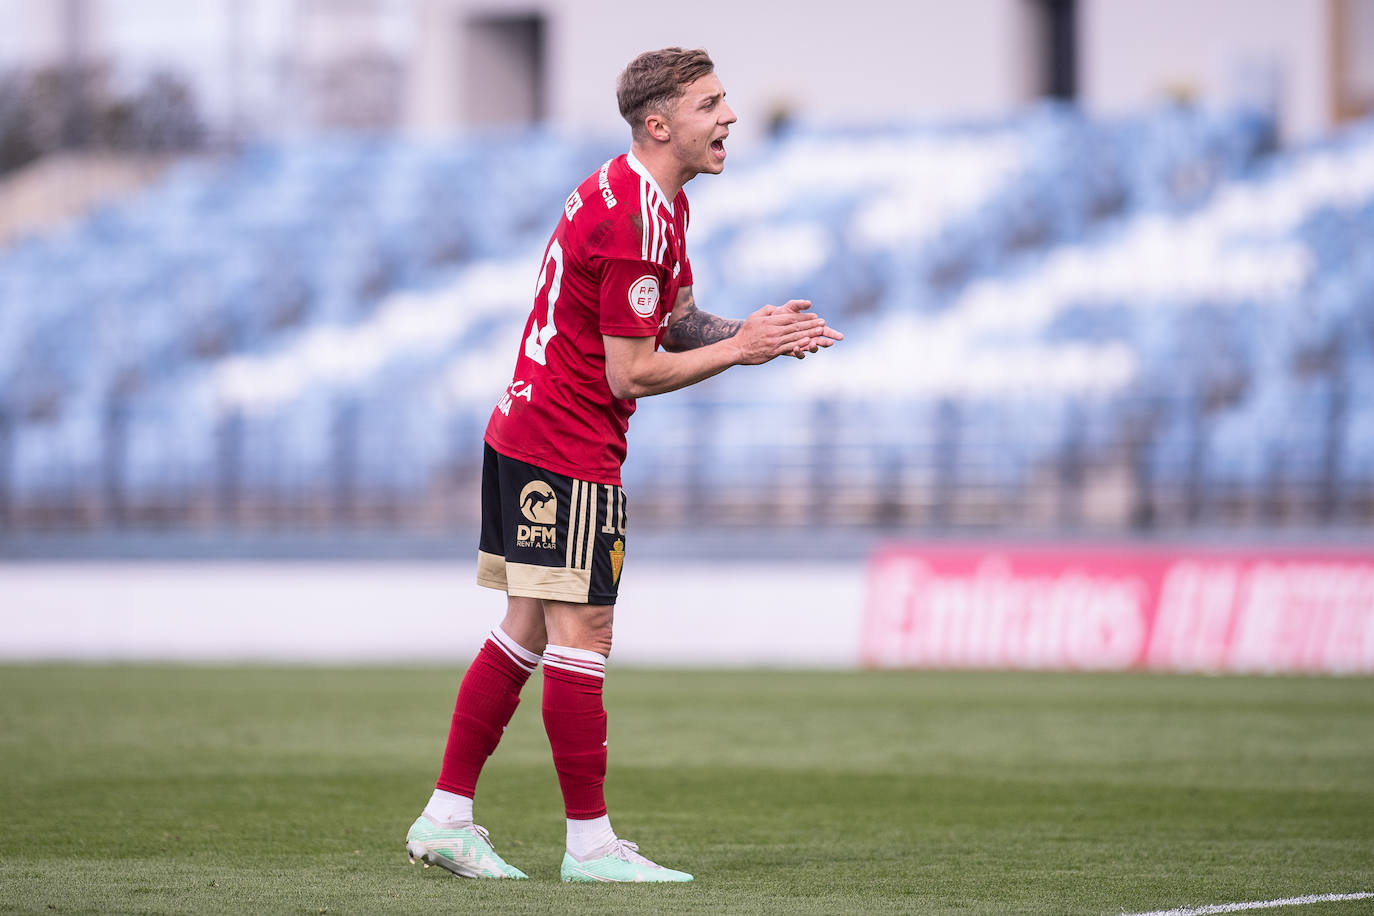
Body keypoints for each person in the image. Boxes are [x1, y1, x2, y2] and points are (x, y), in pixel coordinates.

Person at [404, 46, 843, 884]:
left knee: (528, 629)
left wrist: (745, 334)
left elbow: (670, 320)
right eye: (711, 104)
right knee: (585, 633)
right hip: (565, 444)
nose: (729, 118)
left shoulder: (646, 199)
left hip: (528, 430)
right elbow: (629, 371)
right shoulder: (637, 219)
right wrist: (743, 352)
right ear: (660, 123)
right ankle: (591, 847)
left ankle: (446, 816)